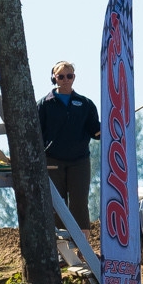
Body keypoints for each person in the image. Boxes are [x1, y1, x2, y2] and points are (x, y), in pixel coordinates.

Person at [38, 61, 100, 231]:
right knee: (56, 204)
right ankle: (61, 249)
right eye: (61, 76)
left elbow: (95, 131)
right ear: (54, 78)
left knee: (79, 202)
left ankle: (83, 248)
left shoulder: (85, 104)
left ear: (74, 78)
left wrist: (109, 130)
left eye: (69, 76)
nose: (66, 80)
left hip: (79, 161)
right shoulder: (44, 104)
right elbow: (35, 133)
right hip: (52, 160)